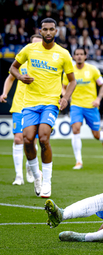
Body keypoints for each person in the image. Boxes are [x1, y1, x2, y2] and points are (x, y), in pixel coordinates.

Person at [9, 18, 77, 198]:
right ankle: (36, 176)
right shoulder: (29, 49)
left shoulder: (63, 54)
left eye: (51, 29)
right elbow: (13, 68)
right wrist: (21, 78)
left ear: (56, 31)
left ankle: (47, 182)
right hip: (30, 103)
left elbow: (72, 81)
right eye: (45, 29)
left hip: (50, 102)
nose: (48, 32)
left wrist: (66, 98)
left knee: (44, 138)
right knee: (28, 139)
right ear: (40, 31)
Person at [0, 34, 43, 185]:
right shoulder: (21, 61)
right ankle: (18, 176)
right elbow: (10, 77)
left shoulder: (45, 64)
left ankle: (29, 166)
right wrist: (5, 93)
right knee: (18, 139)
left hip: (37, 106)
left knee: (31, 141)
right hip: (20, 105)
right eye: (33, 44)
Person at [62, 47, 103, 170]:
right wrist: (66, 97)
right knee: (76, 129)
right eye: (76, 54)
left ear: (85, 56)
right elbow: (63, 87)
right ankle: (79, 161)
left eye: (81, 54)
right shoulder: (69, 71)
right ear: (73, 57)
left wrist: (98, 99)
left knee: (96, 134)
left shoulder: (92, 69)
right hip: (76, 105)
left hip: (91, 106)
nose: (79, 56)